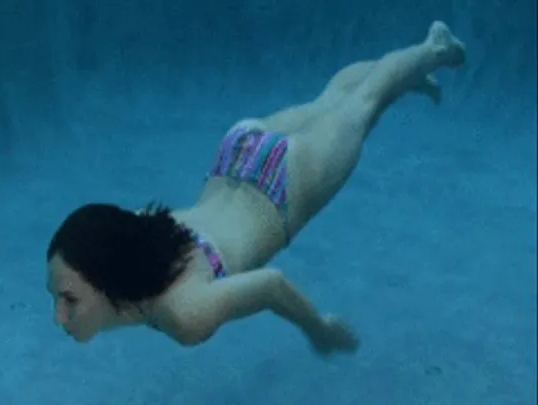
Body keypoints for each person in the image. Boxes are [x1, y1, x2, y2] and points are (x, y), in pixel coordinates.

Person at [45, 21, 466, 356]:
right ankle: (409, 75)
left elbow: (271, 285)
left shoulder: (185, 314)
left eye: (69, 299)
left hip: (284, 186)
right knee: (335, 103)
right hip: (237, 153)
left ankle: (435, 48)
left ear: (107, 281)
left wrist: (317, 329)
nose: (58, 316)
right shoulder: (129, 234)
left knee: (363, 103)